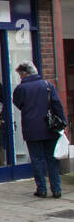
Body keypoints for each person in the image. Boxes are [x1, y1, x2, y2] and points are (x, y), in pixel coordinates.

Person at [12, 60, 67, 198]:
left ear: (25, 73)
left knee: (36, 159)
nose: (20, 77)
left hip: (31, 128)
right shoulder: (47, 85)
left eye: (20, 74)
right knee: (52, 159)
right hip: (50, 128)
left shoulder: (21, 89)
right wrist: (63, 123)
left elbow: (18, 103)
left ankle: (41, 189)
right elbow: (57, 105)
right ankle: (56, 189)